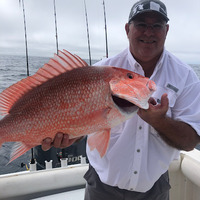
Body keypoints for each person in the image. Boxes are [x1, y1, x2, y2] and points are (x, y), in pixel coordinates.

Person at [41, 0, 200, 199]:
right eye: (141, 24)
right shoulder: (100, 71)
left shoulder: (185, 77)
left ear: (166, 30)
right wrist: (71, 135)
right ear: (127, 29)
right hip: (101, 186)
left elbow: (190, 141)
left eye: (156, 26)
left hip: (154, 190)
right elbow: (87, 122)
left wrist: (159, 121)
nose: (148, 32)